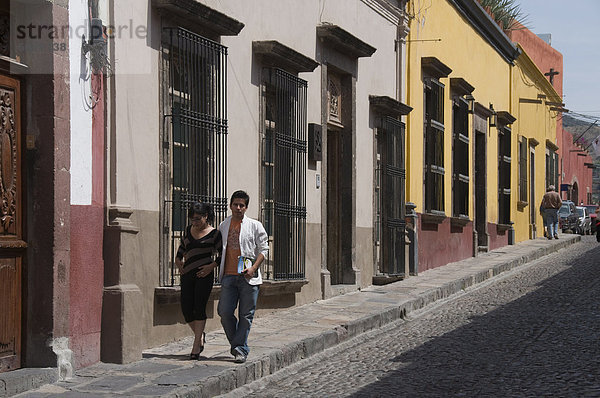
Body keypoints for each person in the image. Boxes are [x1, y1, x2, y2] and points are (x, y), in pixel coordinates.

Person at [217, 190, 268, 363]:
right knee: (224, 312)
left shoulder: (255, 225)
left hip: (248, 276)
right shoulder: (223, 226)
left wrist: (254, 267)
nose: (238, 208)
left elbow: (264, 249)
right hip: (229, 276)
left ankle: (240, 349)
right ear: (230, 205)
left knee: (246, 315)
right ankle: (238, 345)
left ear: (246, 208)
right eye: (235, 204)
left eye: (242, 205)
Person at [175, 202, 222, 360]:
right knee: (186, 309)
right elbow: (182, 247)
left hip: (204, 275)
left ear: (205, 216)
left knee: (199, 307)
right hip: (187, 274)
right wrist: (178, 260)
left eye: (197, 219)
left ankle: (196, 345)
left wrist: (211, 267)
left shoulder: (214, 234)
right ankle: (200, 335)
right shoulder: (188, 230)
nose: (194, 222)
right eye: (192, 220)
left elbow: (222, 256)